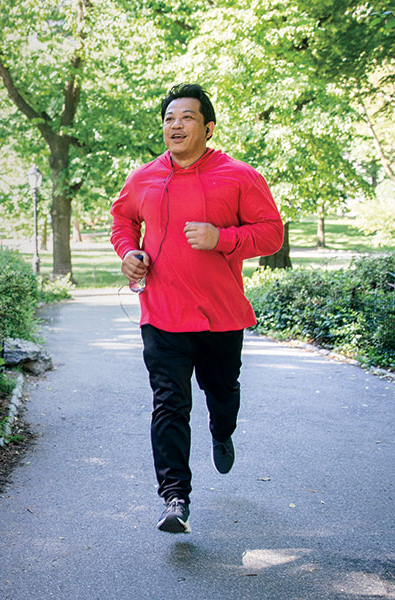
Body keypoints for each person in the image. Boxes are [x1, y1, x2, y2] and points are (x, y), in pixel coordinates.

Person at [110, 83, 284, 534]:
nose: (175, 125)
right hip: (162, 314)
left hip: (221, 316)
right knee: (169, 404)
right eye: (169, 118)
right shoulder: (144, 177)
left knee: (222, 394)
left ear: (208, 127)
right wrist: (128, 253)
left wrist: (221, 239)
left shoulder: (239, 175)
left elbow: (271, 234)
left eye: (186, 117)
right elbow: (122, 220)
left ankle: (222, 431)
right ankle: (174, 498)